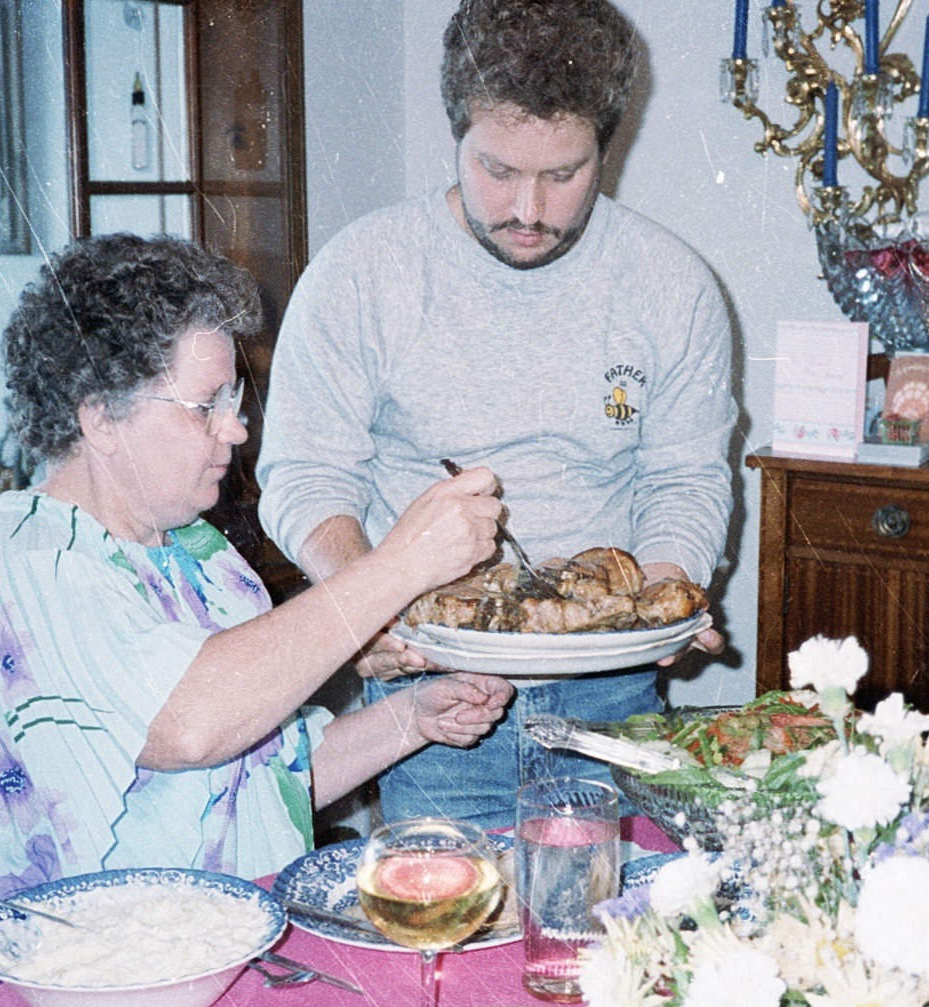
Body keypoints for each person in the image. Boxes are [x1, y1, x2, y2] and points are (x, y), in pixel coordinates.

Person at [0, 234, 512, 1007]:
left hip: (226, 976)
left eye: (234, 402)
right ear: (101, 417)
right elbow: (191, 725)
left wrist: (411, 723)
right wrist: (398, 565)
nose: (235, 431)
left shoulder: (203, 555)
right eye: (207, 407)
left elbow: (266, 774)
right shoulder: (22, 550)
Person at [257, 0, 736, 828]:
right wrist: (361, 607)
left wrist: (664, 593)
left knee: (603, 933)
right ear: (457, 134)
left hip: (610, 689)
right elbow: (306, 475)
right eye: (497, 170)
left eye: (564, 174)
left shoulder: (673, 284)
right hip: (432, 684)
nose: (528, 210)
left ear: (606, 147)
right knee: (448, 922)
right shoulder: (362, 274)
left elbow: (685, 478)